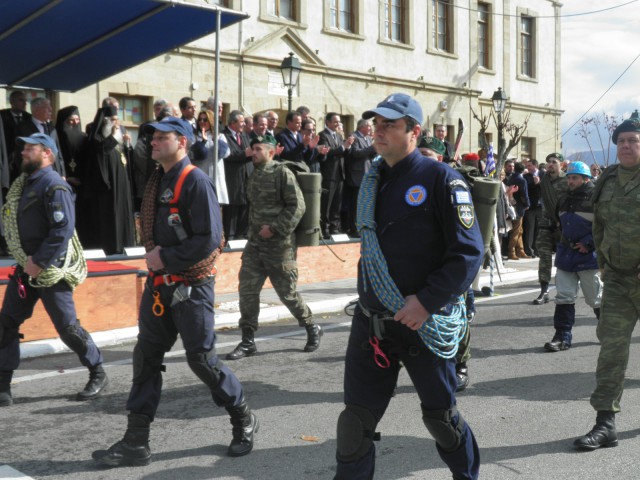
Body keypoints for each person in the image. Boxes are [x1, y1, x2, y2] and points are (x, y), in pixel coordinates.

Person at [333, 93, 483, 480]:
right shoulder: (372, 180)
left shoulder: (442, 179)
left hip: (421, 323)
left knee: (441, 419)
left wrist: (427, 302)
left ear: (414, 131)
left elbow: (468, 253)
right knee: (354, 424)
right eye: (376, 124)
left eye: (390, 125)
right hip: (372, 324)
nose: (378, 131)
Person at [92, 117, 257, 467]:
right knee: (146, 357)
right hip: (160, 287)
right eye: (152, 137)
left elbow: (210, 239)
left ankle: (242, 416)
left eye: (161, 137)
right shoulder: (158, 179)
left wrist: (165, 257)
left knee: (202, 360)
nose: (153, 142)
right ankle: (136, 441)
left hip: (191, 288)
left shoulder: (194, 180)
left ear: (182, 142)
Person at [0, 133, 108, 407]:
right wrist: (28, 263)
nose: (23, 152)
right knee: (6, 324)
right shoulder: (24, 184)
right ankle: (3, 384)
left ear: (47, 153)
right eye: (23, 148)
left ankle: (98, 371)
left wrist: (39, 262)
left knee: (68, 329)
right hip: (26, 268)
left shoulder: (54, 186)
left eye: (30, 148)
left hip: (50, 270)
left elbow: (62, 229)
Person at [574, 115, 640, 451]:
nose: (626, 146)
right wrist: (603, 263)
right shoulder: (608, 179)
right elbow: (598, 223)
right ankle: (605, 423)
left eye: (633, 140)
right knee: (611, 352)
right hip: (617, 280)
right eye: (622, 141)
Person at [226, 134, 322, 360]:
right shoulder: (254, 174)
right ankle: (248, 342)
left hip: (280, 246)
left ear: (271, 152)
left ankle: (312, 327)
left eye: (258, 149)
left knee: (287, 295)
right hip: (255, 245)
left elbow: (297, 206)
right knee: (247, 292)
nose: (253, 152)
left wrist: (275, 228)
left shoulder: (282, 173)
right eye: (252, 149)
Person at [543, 161, 601, 352]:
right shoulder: (564, 198)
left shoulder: (596, 198)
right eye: (569, 177)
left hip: (588, 257)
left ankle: (607, 332)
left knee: (595, 299)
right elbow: (560, 224)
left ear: (586, 179)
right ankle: (562, 337)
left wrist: (589, 243)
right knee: (564, 297)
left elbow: (605, 226)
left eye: (574, 178)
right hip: (566, 255)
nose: (570, 181)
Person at [84, 105, 135, 254]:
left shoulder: (117, 138)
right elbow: (100, 154)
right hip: (108, 189)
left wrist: (127, 145)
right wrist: (113, 138)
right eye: (113, 120)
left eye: (117, 120)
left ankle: (125, 244)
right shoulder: (97, 138)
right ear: (105, 121)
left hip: (122, 185)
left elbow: (125, 159)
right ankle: (113, 247)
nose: (116, 123)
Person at [532, 153, 568, 304]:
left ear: (561, 165)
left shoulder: (568, 180)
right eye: (548, 162)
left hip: (563, 225)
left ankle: (565, 290)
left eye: (554, 162)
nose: (550, 164)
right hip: (545, 224)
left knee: (564, 258)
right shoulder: (544, 180)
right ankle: (544, 291)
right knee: (544, 257)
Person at [504, 161, 530, 260]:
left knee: (519, 230)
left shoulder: (511, 178)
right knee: (516, 231)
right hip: (518, 207)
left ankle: (520, 250)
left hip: (513, 206)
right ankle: (511, 252)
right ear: (523, 170)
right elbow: (524, 194)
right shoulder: (521, 180)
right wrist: (527, 204)